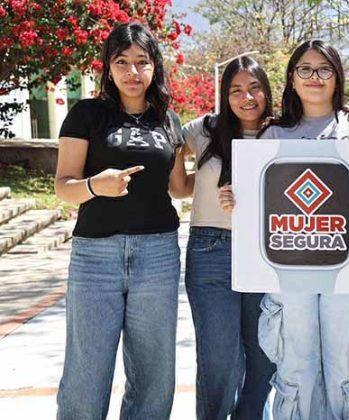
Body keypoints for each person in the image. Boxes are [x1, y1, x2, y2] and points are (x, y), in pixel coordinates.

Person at [221, 39, 349, 420]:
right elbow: (258, 201)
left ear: (337, 76)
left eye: (324, 69)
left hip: (346, 269)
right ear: (292, 78)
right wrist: (237, 203)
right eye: (305, 69)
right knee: (295, 368)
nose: (314, 77)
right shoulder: (273, 134)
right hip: (288, 268)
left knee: (344, 366)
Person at [54, 22, 183, 419]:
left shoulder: (169, 120)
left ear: (155, 66)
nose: (132, 72)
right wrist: (96, 185)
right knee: (86, 372)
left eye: (142, 62)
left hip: (158, 254)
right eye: (122, 62)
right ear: (108, 68)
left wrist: (238, 180)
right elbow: (63, 185)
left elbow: (180, 187)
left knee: (154, 373)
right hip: (95, 256)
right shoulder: (87, 114)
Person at [170, 56, 276, 420]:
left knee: (264, 355)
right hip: (211, 250)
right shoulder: (205, 129)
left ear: (267, 91)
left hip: (266, 251)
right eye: (236, 90)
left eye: (254, 88)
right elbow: (175, 169)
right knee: (219, 358)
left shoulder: (282, 132)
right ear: (224, 96)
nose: (247, 98)